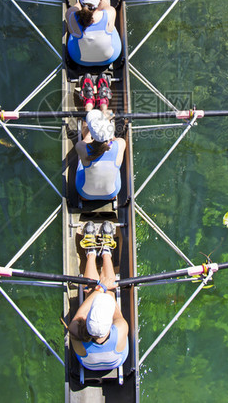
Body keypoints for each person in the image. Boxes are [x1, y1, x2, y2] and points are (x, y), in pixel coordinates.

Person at [68, 221, 129, 371]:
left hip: (87, 363)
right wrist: (104, 289)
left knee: (98, 291)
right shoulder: (120, 329)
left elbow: (81, 312)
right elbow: (111, 300)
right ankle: (106, 252)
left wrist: (99, 289)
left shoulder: (75, 330)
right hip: (117, 359)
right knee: (109, 293)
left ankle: (91, 253)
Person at [75, 107, 125, 201]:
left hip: (85, 194)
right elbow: (112, 140)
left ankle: (88, 108)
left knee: (82, 161)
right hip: (111, 193)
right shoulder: (121, 143)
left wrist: (88, 122)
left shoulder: (80, 146)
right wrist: (107, 119)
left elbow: (87, 138)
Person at [66, 0, 121, 67]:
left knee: (73, 32)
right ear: (99, 0)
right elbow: (105, 5)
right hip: (109, 58)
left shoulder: (71, 15)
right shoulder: (110, 12)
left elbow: (76, 7)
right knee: (111, 27)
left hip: (79, 59)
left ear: (79, 0)